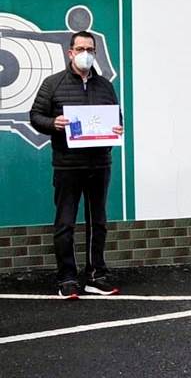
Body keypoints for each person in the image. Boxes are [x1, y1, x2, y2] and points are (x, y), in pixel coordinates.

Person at [29, 31, 123, 299]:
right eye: (80, 48)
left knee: (98, 222)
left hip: (100, 163)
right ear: (70, 52)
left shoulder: (105, 85)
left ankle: (97, 275)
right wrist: (52, 123)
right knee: (65, 223)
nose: (86, 54)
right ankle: (67, 278)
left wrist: (117, 128)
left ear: (96, 53)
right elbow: (35, 115)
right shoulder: (53, 84)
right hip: (67, 164)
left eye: (90, 49)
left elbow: (117, 118)